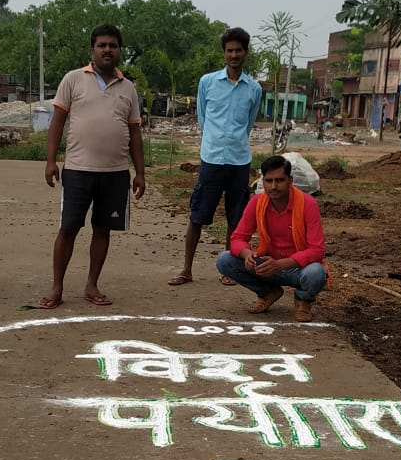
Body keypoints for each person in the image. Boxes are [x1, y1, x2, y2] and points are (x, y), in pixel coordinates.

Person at [38, 24, 145, 309]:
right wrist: (51, 161)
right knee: (69, 227)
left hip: (116, 173)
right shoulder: (73, 79)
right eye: (102, 45)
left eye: (113, 45)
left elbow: (135, 133)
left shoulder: (128, 88)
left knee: (103, 229)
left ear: (120, 51)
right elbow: (57, 122)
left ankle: (91, 285)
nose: (107, 50)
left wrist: (140, 173)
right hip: (77, 170)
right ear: (93, 50)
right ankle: (57, 287)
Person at [168, 27, 261, 286]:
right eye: (229, 50)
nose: (234, 55)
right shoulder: (207, 82)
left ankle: (228, 271)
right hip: (211, 159)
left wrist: (233, 141)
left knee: (235, 219)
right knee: (198, 215)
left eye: (238, 50)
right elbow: (203, 117)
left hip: (239, 161)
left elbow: (249, 123)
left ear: (245, 53)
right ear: (224, 53)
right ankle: (186, 269)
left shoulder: (253, 89)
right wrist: (214, 141)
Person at [215, 155, 328, 322]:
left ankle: (303, 300)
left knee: (317, 273)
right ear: (263, 181)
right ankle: (268, 292)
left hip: (297, 268)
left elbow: (317, 250)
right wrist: (247, 254)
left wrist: (280, 265)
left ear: (290, 180)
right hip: (266, 265)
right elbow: (237, 238)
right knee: (224, 260)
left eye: (279, 180)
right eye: (268, 181)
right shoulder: (257, 202)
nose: (273, 186)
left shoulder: (308, 204)